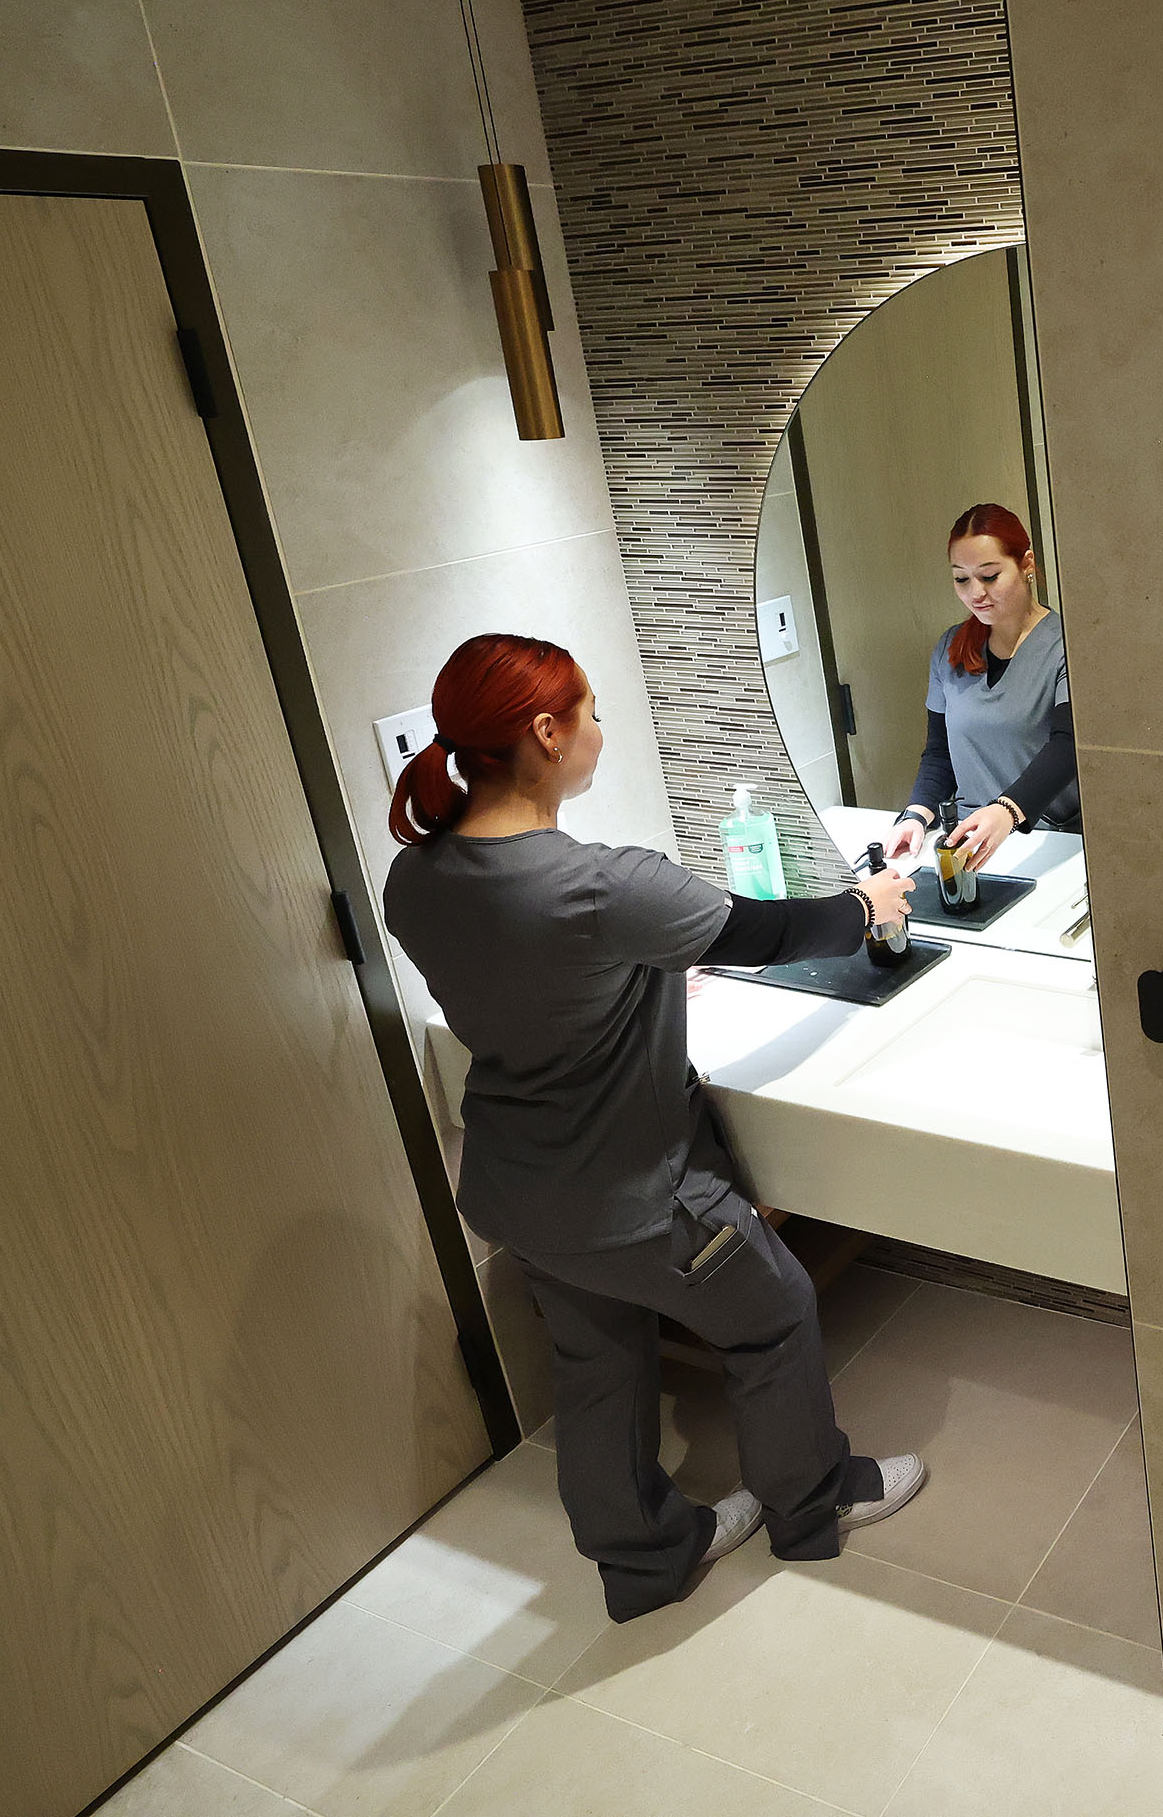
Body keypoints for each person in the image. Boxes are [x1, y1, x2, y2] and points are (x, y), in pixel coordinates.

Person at [380, 632, 925, 1623]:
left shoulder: (413, 879)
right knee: (775, 1310)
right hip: (636, 1192)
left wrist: (641, 969)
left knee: (597, 1367)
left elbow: (529, 985)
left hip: (519, 1187)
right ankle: (814, 1502)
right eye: (589, 711)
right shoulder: (603, 883)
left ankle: (641, 1560)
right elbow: (769, 932)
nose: (601, 728)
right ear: (545, 733)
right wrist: (867, 899)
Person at [883, 503, 1080, 866]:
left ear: (1027, 564)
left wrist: (1006, 811)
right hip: (969, 841)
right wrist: (915, 813)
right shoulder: (950, 647)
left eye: (989, 576)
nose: (976, 593)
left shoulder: (1067, 646)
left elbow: (1070, 747)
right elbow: (940, 753)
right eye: (962, 579)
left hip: (1049, 842)